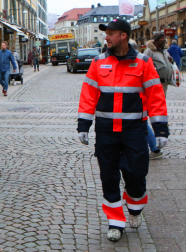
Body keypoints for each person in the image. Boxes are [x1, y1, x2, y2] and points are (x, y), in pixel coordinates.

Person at [77, 19, 169, 242]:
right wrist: (84, 125)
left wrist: (160, 129)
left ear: (124, 36)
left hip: (134, 131)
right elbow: (88, 95)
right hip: (106, 131)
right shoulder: (98, 63)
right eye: (106, 33)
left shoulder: (144, 63)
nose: (106, 37)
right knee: (108, 176)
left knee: (135, 174)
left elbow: (156, 96)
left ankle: (135, 207)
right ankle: (115, 222)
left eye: (111, 33)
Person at [130, 39, 163, 159]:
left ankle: (154, 148)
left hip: (140, 102)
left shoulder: (141, 60)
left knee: (143, 124)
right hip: (143, 99)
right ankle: (154, 148)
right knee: (143, 124)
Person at [144, 32, 174, 97]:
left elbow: (168, 61)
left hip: (165, 81)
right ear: (156, 40)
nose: (164, 39)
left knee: (162, 98)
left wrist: (171, 61)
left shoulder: (164, 50)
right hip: (155, 81)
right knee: (156, 98)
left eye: (165, 38)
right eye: (162, 38)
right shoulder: (149, 51)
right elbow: (143, 64)